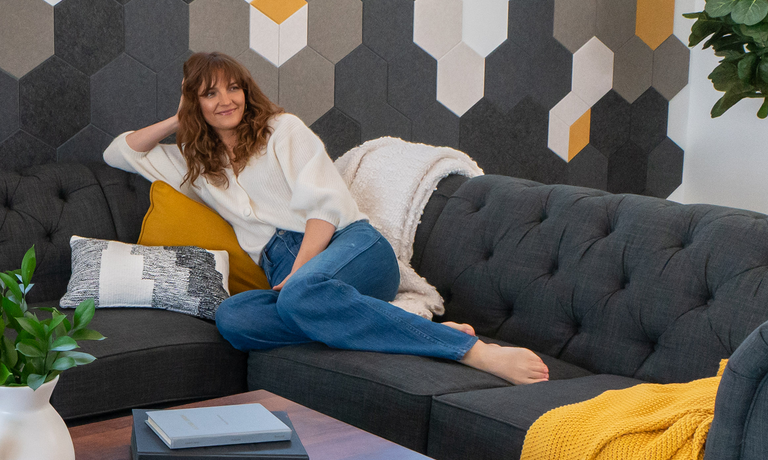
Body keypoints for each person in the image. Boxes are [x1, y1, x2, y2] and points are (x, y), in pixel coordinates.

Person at [103, 51, 548, 385]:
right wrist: (178, 117)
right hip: (291, 275)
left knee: (300, 299)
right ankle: (394, 324)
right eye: (210, 93)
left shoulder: (282, 131)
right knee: (234, 319)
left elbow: (324, 210)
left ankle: (471, 351)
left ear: (247, 89)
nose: (226, 100)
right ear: (193, 104)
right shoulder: (194, 163)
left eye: (233, 87)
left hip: (350, 248)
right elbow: (120, 151)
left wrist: (300, 273)